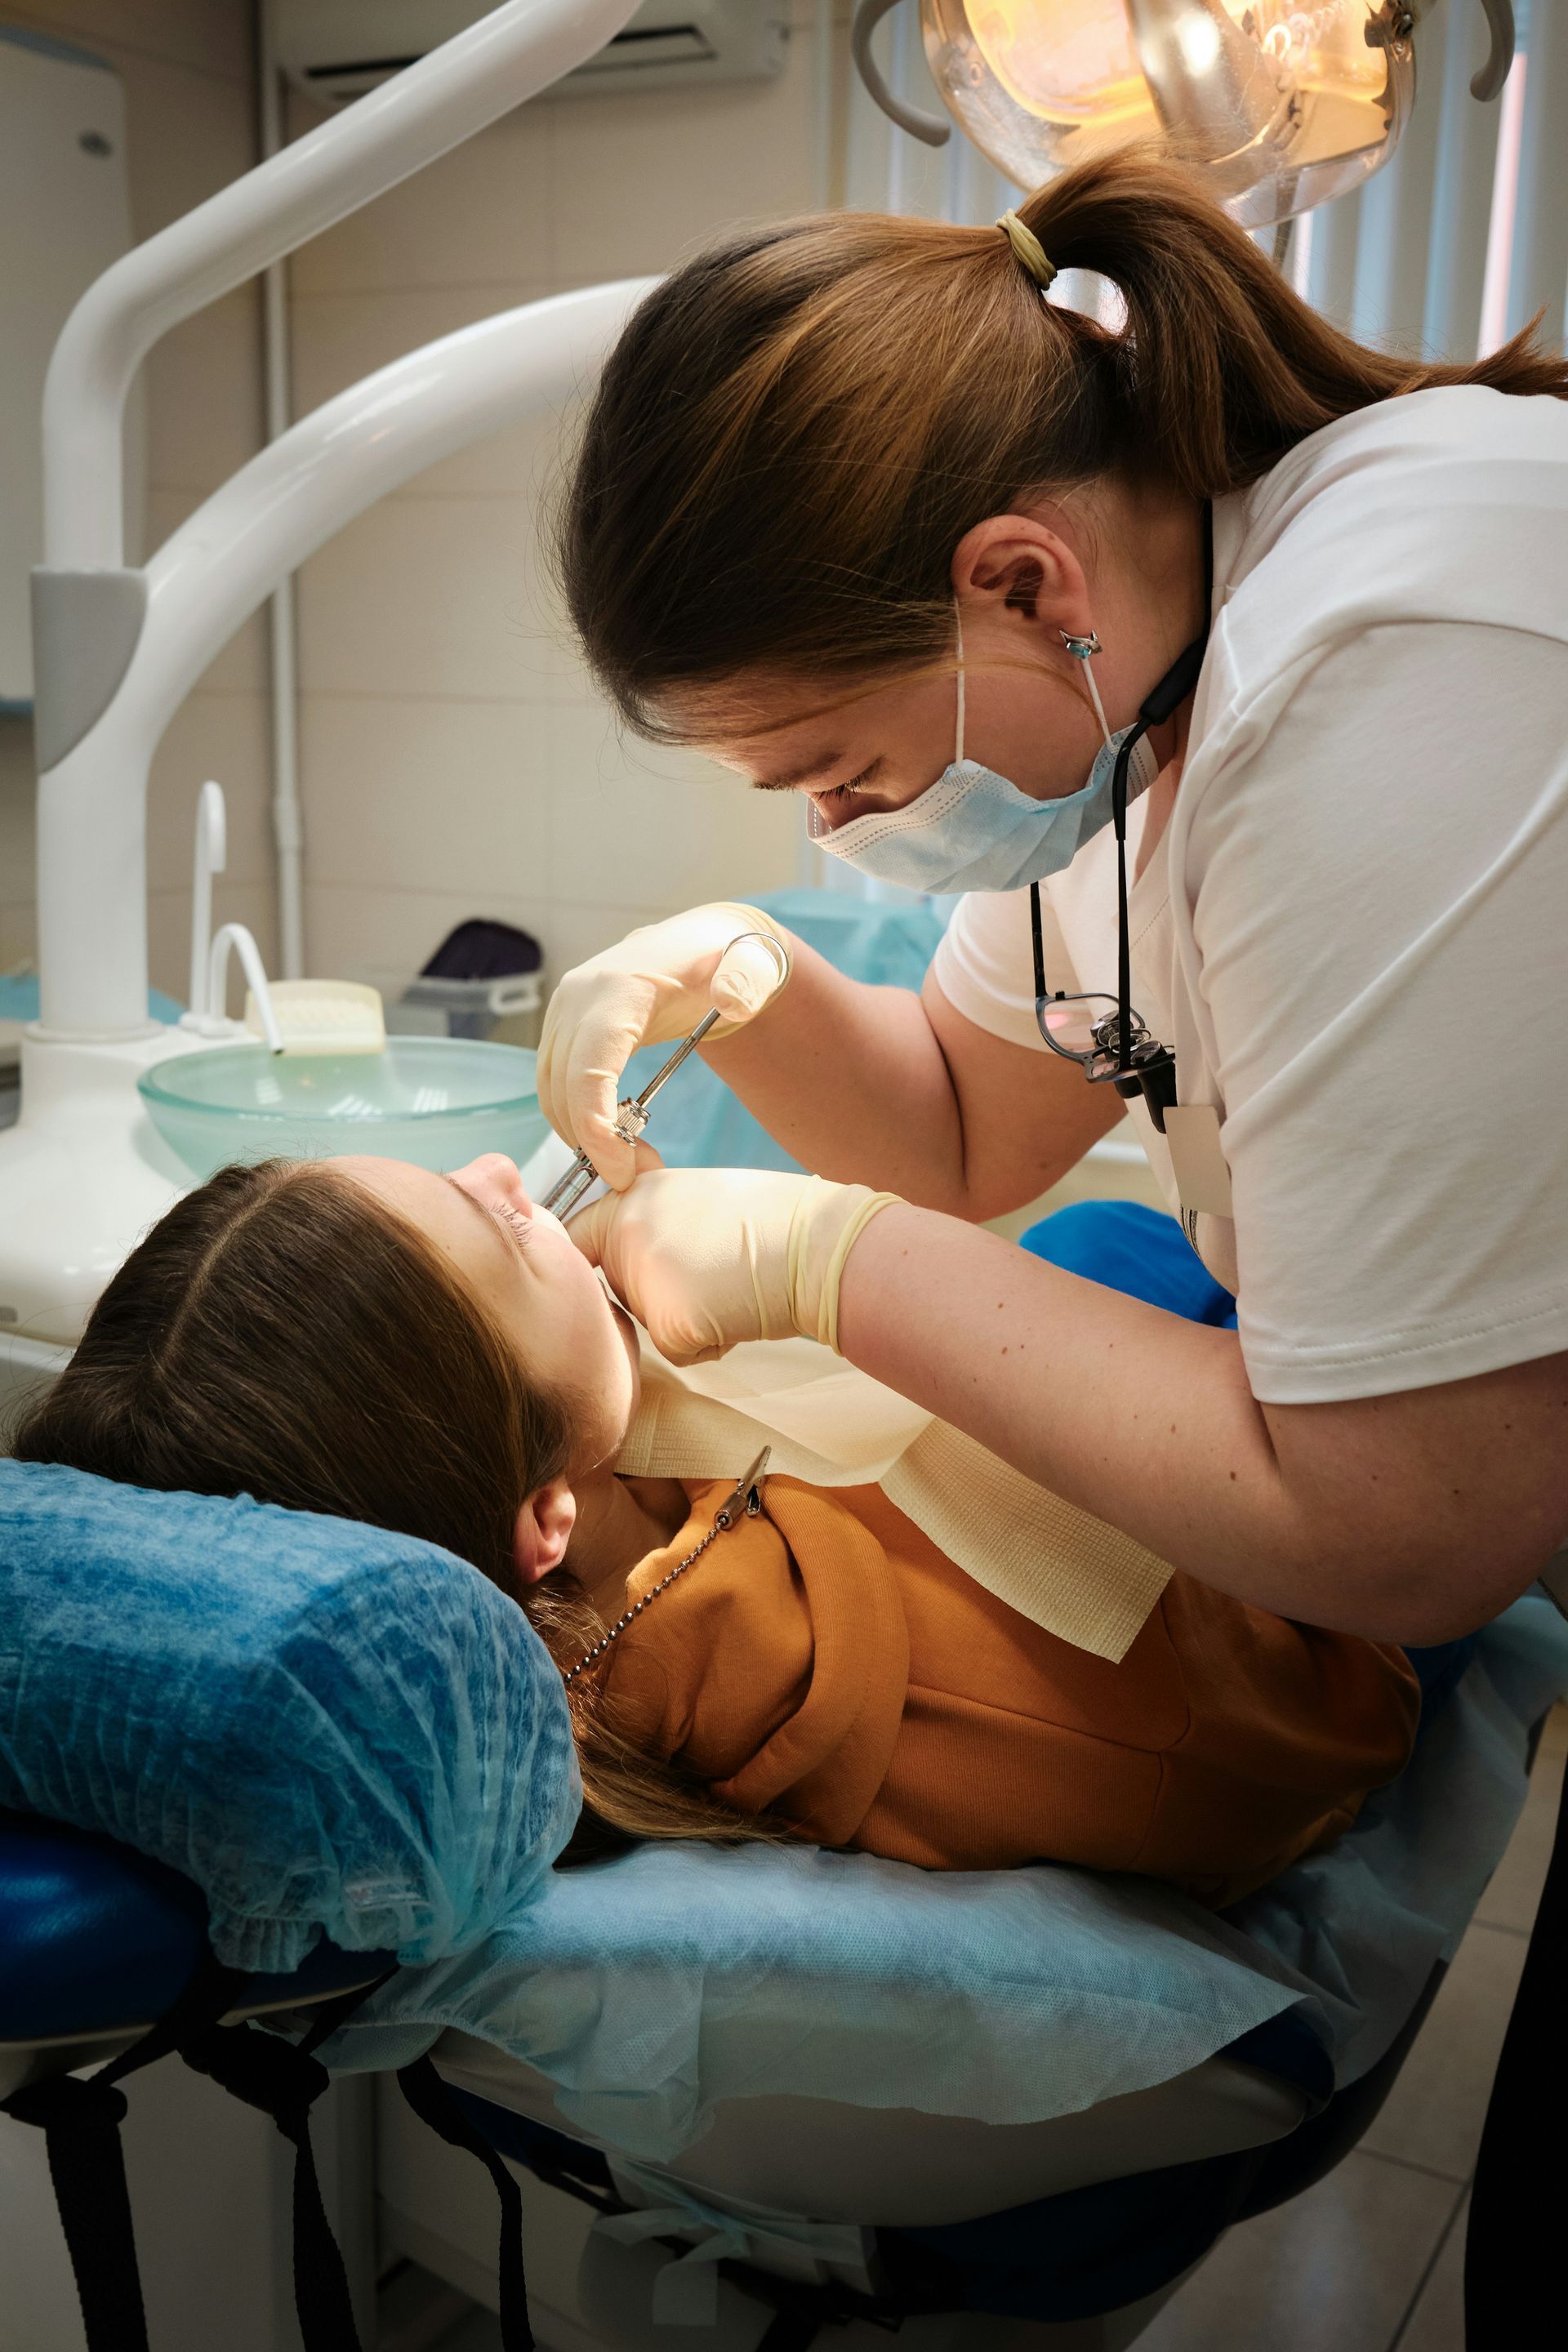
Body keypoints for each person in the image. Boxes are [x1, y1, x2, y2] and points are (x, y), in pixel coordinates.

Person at [541, 149, 1568, 1655]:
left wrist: (829, 1269)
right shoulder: (1136, 670)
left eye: (844, 769)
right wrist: (743, 977)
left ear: (1024, 588)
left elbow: (1396, 1529)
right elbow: (962, 1123)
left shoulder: (1386, 670)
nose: (839, 829)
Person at [14, 1151, 1418, 1900]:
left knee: (1096, 1251)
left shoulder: (596, 1510)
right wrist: (843, 1265)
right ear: (543, 1517)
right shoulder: (904, 1669)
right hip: (1322, 1638)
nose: (520, 1174)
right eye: (497, 1230)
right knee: (1132, 1253)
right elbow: (1338, 1714)